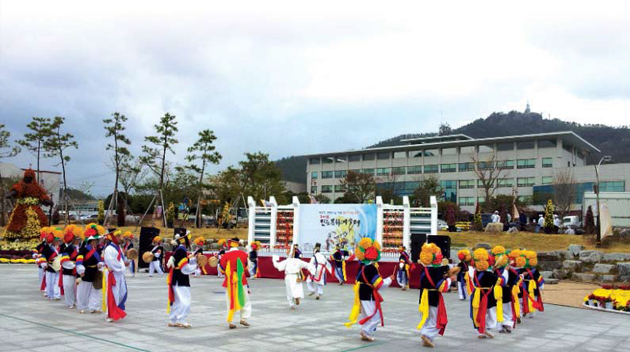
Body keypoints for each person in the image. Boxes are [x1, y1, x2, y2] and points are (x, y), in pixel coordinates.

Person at [345, 238, 393, 342]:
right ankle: (366, 331)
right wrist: (389, 279)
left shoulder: (361, 265)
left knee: (367, 315)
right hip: (368, 294)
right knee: (374, 316)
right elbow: (379, 284)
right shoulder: (370, 268)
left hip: (362, 293)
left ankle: (365, 331)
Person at [416, 243, 452, 348]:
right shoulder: (435, 271)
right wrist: (449, 280)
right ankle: (427, 334)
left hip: (423, 296)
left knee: (425, 317)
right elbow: (441, 286)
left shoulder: (425, 269)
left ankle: (427, 336)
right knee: (436, 318)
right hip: (433, 296)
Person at [3, 168, 53, 241]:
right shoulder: (21, 185)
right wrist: (11, 193)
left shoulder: (36, 187)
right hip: (22, 208)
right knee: (17, 220)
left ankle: (36, 236)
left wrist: (48, 201)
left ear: (32, 178)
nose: (27, 179)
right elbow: (17, 190)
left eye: (29, 178)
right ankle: (13, 236)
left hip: (34, 209)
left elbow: (42, 195)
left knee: (40, 220)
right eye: (26, 178)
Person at [167, 231, 198, 328]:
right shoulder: (182, 250)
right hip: (181, 279)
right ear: (185, 240)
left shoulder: (178, 249)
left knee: (177, 301)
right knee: (185, 300)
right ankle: (181, 319)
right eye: (189, 239)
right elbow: (184, 268)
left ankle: (173, 320)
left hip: (176, 278)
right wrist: (196, 266)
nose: (190, 241)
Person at [470, 248, 503, 339]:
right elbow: (501, 281)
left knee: (479, 312)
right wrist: (496, 273)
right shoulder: (490, 275)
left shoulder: (474, 273)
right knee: (490, 312)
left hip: (477, 295)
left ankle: (480, 331)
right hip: (488, 295)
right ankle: (487, 328)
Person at [219, 237, 251, 329]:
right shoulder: (243, 254)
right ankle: (244, 318)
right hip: (241, 280)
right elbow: (246, 267)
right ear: (238, 244)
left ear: (230, 244)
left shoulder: (225, 255)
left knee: (230, 300)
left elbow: (222, 269)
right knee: (245, 299)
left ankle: (231, 321)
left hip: (229, 281)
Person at [273, 245, 315, 309]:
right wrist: (312, 270)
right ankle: (296, 297)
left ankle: (291, 304)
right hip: (296, 276)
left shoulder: (287, 261)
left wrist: (274, 260)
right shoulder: (298, 261)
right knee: (297, 288)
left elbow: (279, 266)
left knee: (289, 290)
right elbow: (307, 265)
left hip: (289, 276)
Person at [76, 224, 105, 314]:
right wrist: (81, 270)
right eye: (96, 240)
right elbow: (79, 260)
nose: (97, 242)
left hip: (95, 272)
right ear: (91, 241)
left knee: (96, 290)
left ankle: (94, 306)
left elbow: (101, 259)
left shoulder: (98, 250)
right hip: (86, 272)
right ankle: (82, 306)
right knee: (83, 290)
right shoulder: (83, 250)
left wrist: (100, 264)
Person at [492, 246, 521, 333]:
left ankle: (502, 326)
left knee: (500, 309)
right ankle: (507, 324)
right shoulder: (507, 271)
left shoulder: (496, 271)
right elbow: (507, 280)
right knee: (506, 309)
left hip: (499, 292)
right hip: (505, 291)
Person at [103, 230, 128, 322]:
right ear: (113, 237)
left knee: (122, 292)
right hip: (113, 273)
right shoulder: (109, 249)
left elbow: (120, 260)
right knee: (112, 293)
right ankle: (109, 314)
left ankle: (116, 309)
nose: (120, 238)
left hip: (119, 273)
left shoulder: (118, 248)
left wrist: (123, 265)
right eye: (118, 236)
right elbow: (110, 262)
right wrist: (121, 267)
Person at [516, 250, 544, 318]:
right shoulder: (534, 270)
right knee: (531, 299)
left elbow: (516, 278)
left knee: (521, 299)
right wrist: (541, 286)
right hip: (531, 287)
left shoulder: (520, 270)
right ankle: (530, 312)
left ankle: (521, 312)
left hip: (523, 286)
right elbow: (539, 279)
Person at [60, 225, 83, 309]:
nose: (78, 241)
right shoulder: (67, 249)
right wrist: (75, 266)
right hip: (69, 271)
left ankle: (77, 301)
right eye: (77, 239)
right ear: (73, 240)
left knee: (77, 287)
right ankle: (70, 302)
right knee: (68, 286)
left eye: (79, 239)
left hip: (78, 271)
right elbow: (65, 262)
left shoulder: (81, 249)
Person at [40, 228, 62, 301]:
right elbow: (43, 256)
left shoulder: (61, 248)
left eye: (58, 240)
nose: (57, 242)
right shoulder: (46, 248)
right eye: (56, 240)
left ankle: (57, 295)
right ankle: (50, 295)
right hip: (50, 267)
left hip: (58, 267)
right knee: (49, 282)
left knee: (57, 282)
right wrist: (44, 264)